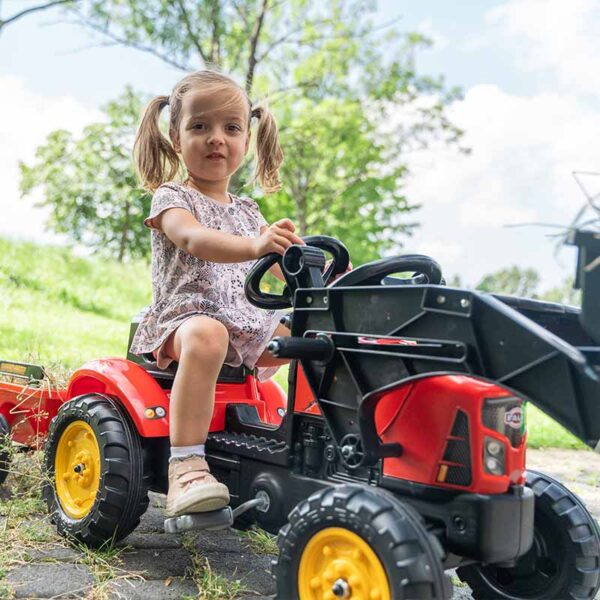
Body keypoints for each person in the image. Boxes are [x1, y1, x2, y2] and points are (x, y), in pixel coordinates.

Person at [128, 70, 304, 518]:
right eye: (199, 127)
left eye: (231, 128)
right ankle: (185, 463)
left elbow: (276, 267)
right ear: (174, 136)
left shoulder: (248, 212)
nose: (215, 140)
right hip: (183, 322)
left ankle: (312, 444)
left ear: (247, 138)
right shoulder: (172, 199)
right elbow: (193, 240)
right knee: (209, 334)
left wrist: (306, 268)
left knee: (313, 339)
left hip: (244, 325)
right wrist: (257, 244)